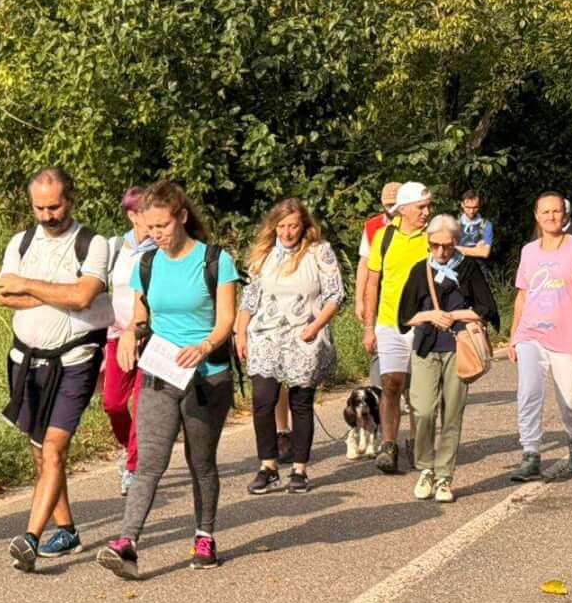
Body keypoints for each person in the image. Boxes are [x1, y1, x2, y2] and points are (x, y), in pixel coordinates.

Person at [96, 180, 239, 579]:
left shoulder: (215, 261)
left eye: (163, 225)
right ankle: (127, 544)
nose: (156, 234)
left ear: (182, 217)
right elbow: (142, 316)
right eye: (150, 227)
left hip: (207, 376)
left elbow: (226, 320)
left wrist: (205, 347)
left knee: (201, 462)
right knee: (149, 462)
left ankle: (204, 536)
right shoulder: (146, 264)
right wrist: (131, 333)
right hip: (160, 372)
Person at [0, 167, 113, 572]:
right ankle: (67, 529)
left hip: (75, 361)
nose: (47, 216)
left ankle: (30, 537)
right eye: (40, 208)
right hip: (26, 361)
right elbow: (4, 294)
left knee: (54, 448)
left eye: (55, 206)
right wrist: (58, 292)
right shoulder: (21, 242)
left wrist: (29, 285)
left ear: (71, 200)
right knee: (39, 448)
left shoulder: (93, 244)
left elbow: (83, 297)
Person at [235, 198, 343, 495]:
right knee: (263, 400)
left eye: (293, 226)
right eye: (281, 226)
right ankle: (268, 466)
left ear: (303, 226)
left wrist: (316, 326)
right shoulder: (264, 255)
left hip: (304, 333)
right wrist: (240, 332)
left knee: (300, 402)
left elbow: (335, 295)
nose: (287, 232)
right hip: (266, 335)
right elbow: (249, 299)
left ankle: (299, 468)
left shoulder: (319, 252)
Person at [397, 215, 499, 503]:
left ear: (456, 242)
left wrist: (453, 315)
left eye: (447, 245)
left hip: (459, 347)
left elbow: (485, 309)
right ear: (428, 243)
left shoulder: (468, 268)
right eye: (435, 245)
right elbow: (405, 317)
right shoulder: (420, 270)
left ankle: (444, 476)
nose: (441, 252)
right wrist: (430, 315)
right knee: (423, 411)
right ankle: (425, 467)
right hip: (426, 347)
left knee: (452, 413)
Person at [507, 191, 572, 481]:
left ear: (565, 214)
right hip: (531, 333)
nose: (551, 216)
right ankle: (530, 454)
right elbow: (522, 295)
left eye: (557, 211)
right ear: (537, 216)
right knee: (529, 391)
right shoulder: (529, 251)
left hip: (568, 334)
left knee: (570, 398)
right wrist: (513, 334)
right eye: (545, 212)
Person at [362, 180, 432, 473]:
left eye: (428, 206)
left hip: (424, 324)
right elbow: (372, 283)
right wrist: (369, 327)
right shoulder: (385, 237)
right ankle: (388, 445)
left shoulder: (432, 237)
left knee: (418, 389)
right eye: (421, 207)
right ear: (403, 209)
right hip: (390, 323)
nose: (426, 212)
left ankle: (417, 442)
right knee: (390, 382)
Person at [101, 187, 154, 496]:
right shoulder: (113, 247)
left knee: (143, 403)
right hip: (116, 335)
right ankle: (129, 448)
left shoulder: (161, 249)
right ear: (132, 215)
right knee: (113, 404)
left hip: (151, 336)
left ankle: (134, 467)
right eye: (146, 211)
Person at [353, 181, 401, 325]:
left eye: (395, 205)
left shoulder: (415, 224)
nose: (392, 209)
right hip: (379, 288)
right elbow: (364, 264)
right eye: (389, 205)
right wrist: (359, 300)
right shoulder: (372, 226)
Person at [457, 190, 494, 264]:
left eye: (475, 207)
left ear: (479, 205)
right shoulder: (454, 224)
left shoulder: (486, 225)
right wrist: (476, 250)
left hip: (478, 266)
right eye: (468, 207)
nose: (471, 211)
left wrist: (457, 248)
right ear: (462, 205)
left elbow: (485, 253)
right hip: (457, 266)